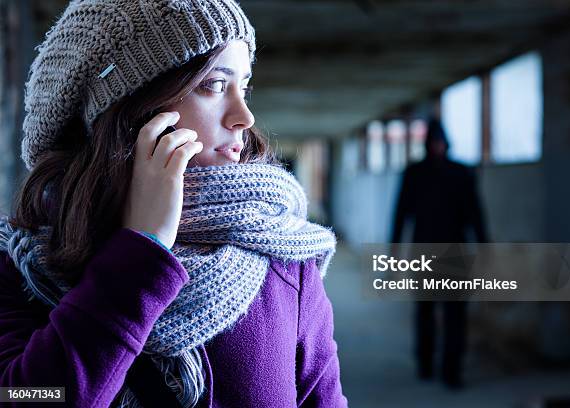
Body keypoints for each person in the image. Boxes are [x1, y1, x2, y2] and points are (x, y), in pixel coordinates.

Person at [0, 1, 348, 407]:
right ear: (132, 109)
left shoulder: (283, 259)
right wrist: (142, 248)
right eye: (214, 85)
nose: (244, 116)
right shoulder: (19, 265)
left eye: (245, 87)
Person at [392, 118, 488, 390]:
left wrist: (486, 248)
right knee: (425, 310)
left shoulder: (461, 173)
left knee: (455, 314)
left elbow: (475, 213)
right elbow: (400, 214)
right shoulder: (415, 173)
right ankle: (425, 363)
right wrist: (395, 249)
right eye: (433, 141)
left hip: (455, 253)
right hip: (424, 252)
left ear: (447, 143)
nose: (437, 146)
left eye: (440, 142)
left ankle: (452, 371)